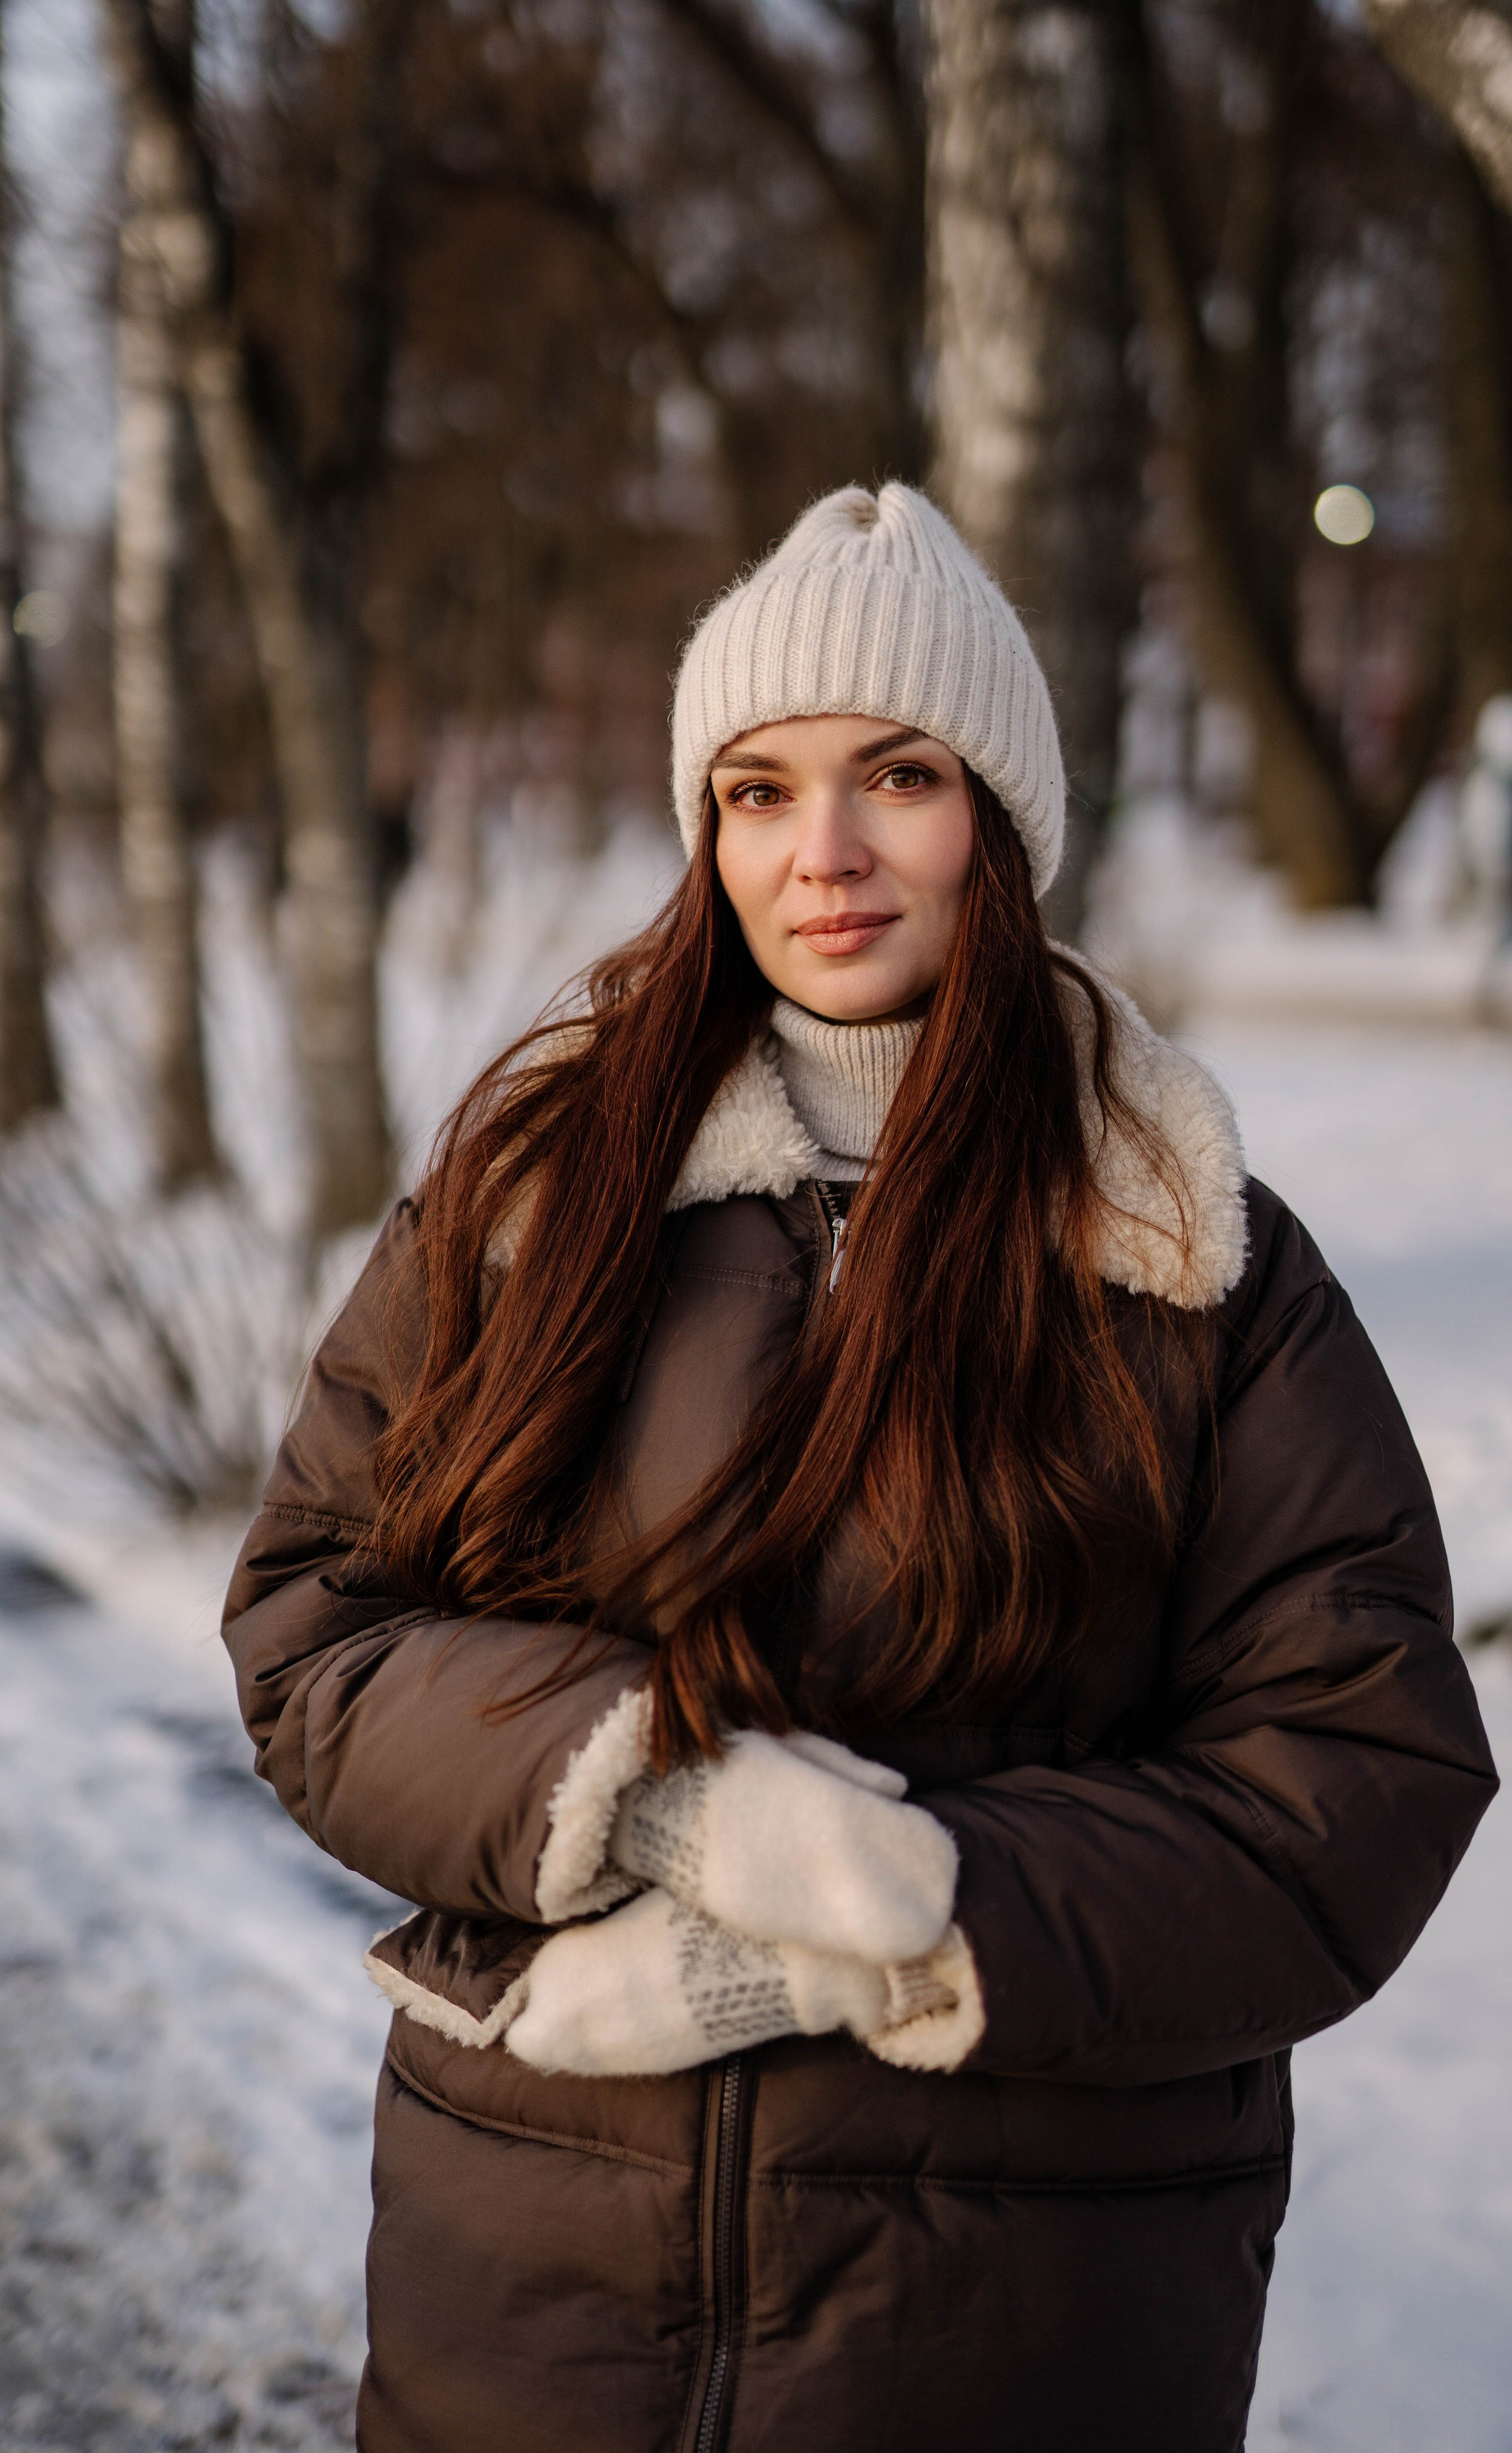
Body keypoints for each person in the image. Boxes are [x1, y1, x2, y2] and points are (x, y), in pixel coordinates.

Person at [223, 484, 1496, 2453]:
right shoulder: (526, 1201)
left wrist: (901, 1916)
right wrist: (662, 1808)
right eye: (754, 788)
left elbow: (1355, 1777)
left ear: (998, 814)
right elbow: (319, 1635)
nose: (821, 855)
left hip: (1019, 2320)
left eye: (895, 774)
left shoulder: (1182, 1251)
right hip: (533, 2287)